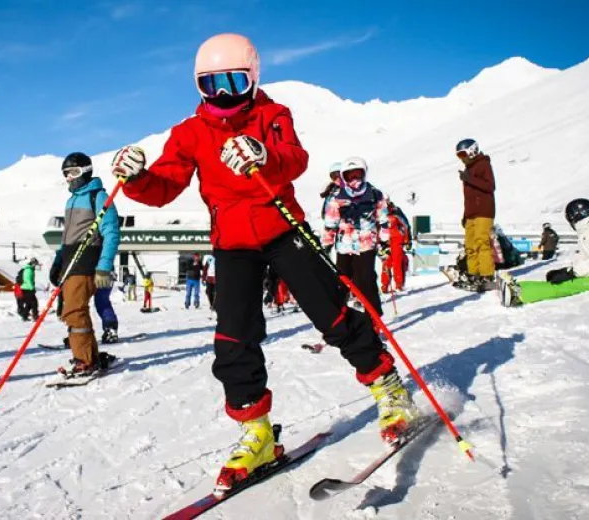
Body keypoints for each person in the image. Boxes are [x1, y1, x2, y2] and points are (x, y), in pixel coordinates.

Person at [110, 33, 417, 494]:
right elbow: (164, 187)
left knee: (330, 312)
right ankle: (256, 433)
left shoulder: (272, 115)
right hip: (232, 243)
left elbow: (295, 158)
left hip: (282, 228)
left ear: (253, 78)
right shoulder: (190, 133)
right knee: (234, 336)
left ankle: (388, 387)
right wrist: (136, 178)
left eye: (234, 81)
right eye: (211, 85)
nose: (224, 95)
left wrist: (263, 154)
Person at [48, 152, 120, 377]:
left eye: (74, 172)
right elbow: (67, 237)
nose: (70, 178)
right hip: (71, 263)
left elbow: (111, 232)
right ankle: (90, 354)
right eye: (66, 174)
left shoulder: (97, 196)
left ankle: (84, 360)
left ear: (86, 171)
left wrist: (104, 266)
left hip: (87, 262)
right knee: (72, 312)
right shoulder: (71, 200)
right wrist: (58, 261)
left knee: (74, 311)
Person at [499, 199, 589, 307]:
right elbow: (585, 256)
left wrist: (572, 273)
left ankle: (518, 295)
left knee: (565, 287)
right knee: (558, 282)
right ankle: (518, 286)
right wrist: (567, 270)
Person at [322, 156, 390, 317]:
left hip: (366, 244)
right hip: (344, 245)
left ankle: (373, 318)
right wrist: (327, 243)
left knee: (365, 280)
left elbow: (384, 220)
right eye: (350, 176)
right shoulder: (337, 196)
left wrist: (385, 242)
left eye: (357, 175)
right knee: (342, 282)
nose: (354, 179)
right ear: (344, 176)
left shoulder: (374, 194)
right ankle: (339, 318)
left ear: (364, 174)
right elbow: (330, 222)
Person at [456, 138, 497, 292]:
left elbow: (490, 186)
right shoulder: (468, 170)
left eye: (463, 154)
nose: (462, 158)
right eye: (459, 156)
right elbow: (469, 198)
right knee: (470, 246)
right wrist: (465, 215)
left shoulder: (483, 164)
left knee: (482, 243)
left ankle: (487, 276)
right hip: (472, 214)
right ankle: (474, 274)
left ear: (472, 151)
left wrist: (469, 179)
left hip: (484, 212)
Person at [381, 201, 412, 293]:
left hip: (397, 240)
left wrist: (407, 240)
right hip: (386, 242)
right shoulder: (379, 213)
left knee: (397, 263)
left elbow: (405, 225)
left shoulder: (395, 212)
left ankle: (399, 285)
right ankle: (385, 286)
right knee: (386, 263)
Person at [94, 271, 119, 343]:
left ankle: (110, 326)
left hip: (102, 273)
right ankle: (111, 326)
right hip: (104, 273)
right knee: (102, 302)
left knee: (102, 302)